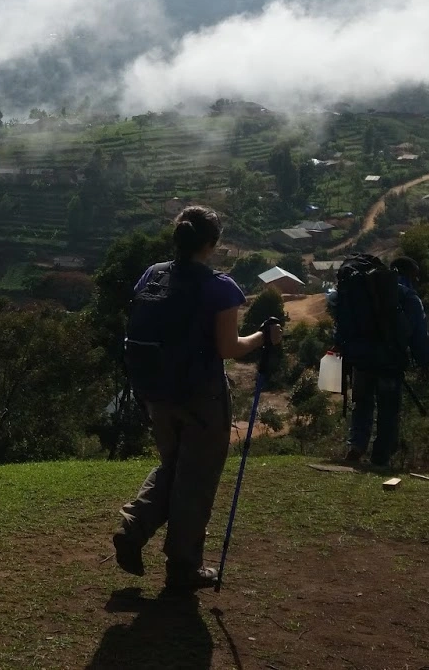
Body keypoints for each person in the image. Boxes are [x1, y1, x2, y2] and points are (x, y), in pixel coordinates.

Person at [112, 206, 281, 591]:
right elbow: (228, 348)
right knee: (198, 477)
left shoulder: (153, 275)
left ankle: (133, 529)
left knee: (174, 466)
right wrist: (263, 337)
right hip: (200, 395)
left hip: (155, 392)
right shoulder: (219, 287)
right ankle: (183, 565)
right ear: (211, 243)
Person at [340, 256, 429, 467]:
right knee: (388, 410)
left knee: (362, 404)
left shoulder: (365, 288)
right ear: (410, 274)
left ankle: (356, 446)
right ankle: (380, 457)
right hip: (390, 362)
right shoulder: (409, 297)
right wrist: (424, 363)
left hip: (361, 359)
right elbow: (419, 334)